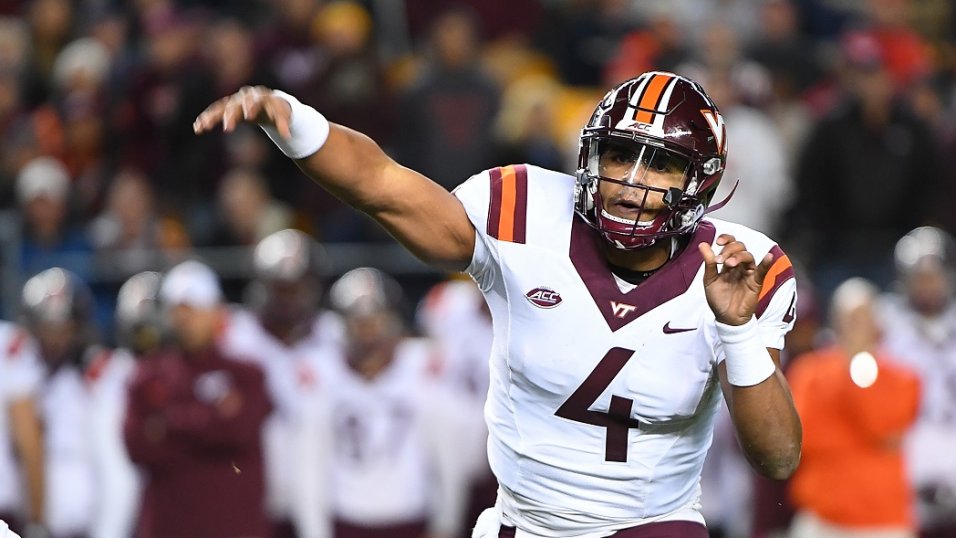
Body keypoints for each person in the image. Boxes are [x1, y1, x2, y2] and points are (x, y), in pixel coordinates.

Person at [194, 70, 803, 537]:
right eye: (620, 154)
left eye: (662, 164)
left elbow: (777, 457)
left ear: (700, 180)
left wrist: (738, 329)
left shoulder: (740, 267)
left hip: (650, 524)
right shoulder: (523, 211)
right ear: (591, 156)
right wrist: (294, 121)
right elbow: (382, 185)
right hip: (522, 522)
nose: (633, 181)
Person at [296, 267, 471, 538]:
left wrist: (446, 524)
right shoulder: (320, 372)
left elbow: (446, 457)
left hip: (411, 518)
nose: (368, 335)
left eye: (375, 321)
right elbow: (310, 466)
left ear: (393, 322)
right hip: (345, 518)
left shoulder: (422, 367)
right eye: (358, 323)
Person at [123, 260, 273, 538]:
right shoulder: (147, 377)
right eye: (178, 311)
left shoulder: (246, 374)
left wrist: (168, 422)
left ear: (216, 311)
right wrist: (211, 419)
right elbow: (138, 446)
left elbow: (238, 432)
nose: (185, 320)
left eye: (193, 310)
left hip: (235, 528)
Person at [787, 278, 921, 538]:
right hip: (821, 517)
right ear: (834, 323)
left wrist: (857, 364)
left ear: (877, 325)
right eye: (849, 319)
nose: (855, 327)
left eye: (862, 318)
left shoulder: (904, 379)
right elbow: (801, 440)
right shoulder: (808, 373)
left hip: (883, 522)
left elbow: (884, 429)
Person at [878, 226, 956, 537]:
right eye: (919, 277)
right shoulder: (884, 323)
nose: (927, 285)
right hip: (905, 448)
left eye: (934, 276)